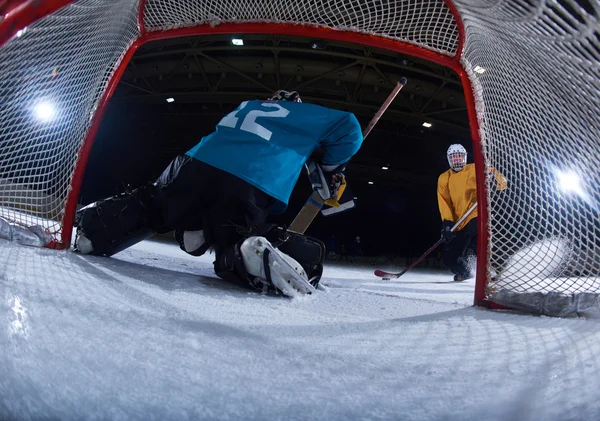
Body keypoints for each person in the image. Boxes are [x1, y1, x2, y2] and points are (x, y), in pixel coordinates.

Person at [74, 90, 363, 297]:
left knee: (153, 204)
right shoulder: (304, 115)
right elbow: (349, 128)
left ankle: (97, 230)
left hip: (192, 163)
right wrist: (330, 163)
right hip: (249, 177)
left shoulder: (248, 105)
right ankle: (245, 251)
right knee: (235, 234)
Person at [437, 144, 506, 281]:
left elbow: (502, 183)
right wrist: (447, 222)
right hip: (459, 221)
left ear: (465, 158)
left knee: (480, 243)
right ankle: (466, 272)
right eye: (454, 157)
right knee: (449, 259)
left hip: (476, 214)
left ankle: (499, 270)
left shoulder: (476, 168)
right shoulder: (444, 178)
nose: (457, 160)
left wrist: (494, 181)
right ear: (449, 160)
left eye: (459, 157)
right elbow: (443, 201)